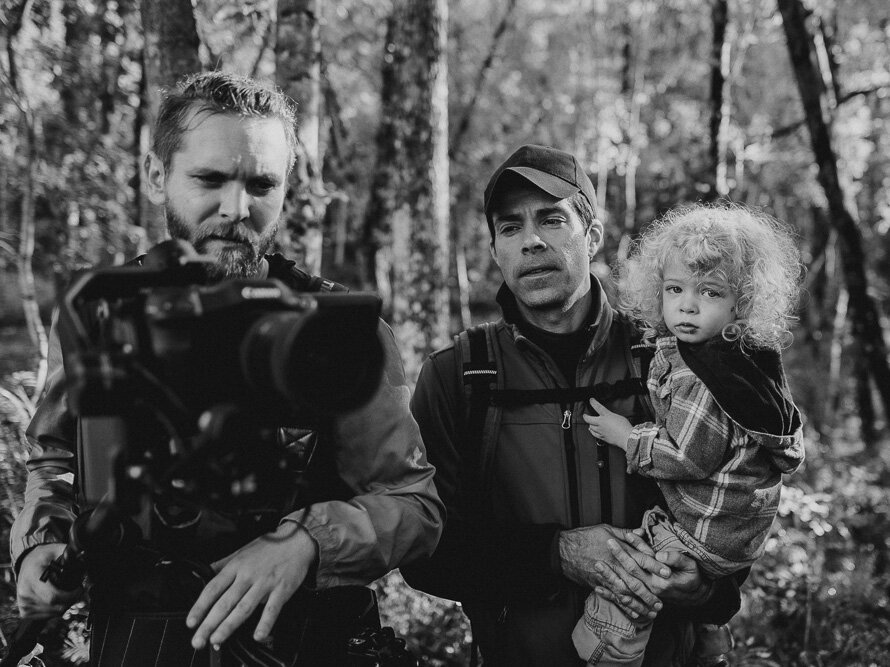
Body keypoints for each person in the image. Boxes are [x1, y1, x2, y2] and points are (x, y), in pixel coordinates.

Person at [10, 71, 443, 664]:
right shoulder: (100, 313)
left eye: (262, 183)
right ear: (157, 176)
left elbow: (414, 502)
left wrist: (305, 543)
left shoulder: (337, 331)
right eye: (209, 179)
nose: (237, 209)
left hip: (302, 643)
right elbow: (57, 459)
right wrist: (41, 544)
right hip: (141, 640)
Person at [400, 145, 746, 667]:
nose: (532, 241)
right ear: (495, 249)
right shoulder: (459, 375)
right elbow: (425, 551)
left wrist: (710, 588)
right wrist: (557, 554)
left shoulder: (669, 358)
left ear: (593, 234)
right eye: (510, 227)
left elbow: (734, 494)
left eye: (552, 219)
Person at [572, 204, 805, 665]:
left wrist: (625, 435)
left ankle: (610, 649)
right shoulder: (741, 361)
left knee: (632, 574)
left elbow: (686, 458)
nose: (687, 304)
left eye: (710, 292)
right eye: (675, 289)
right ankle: (711, 636)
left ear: (742, 303)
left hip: (706, 532)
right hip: (732, 533)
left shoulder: (706, 376)